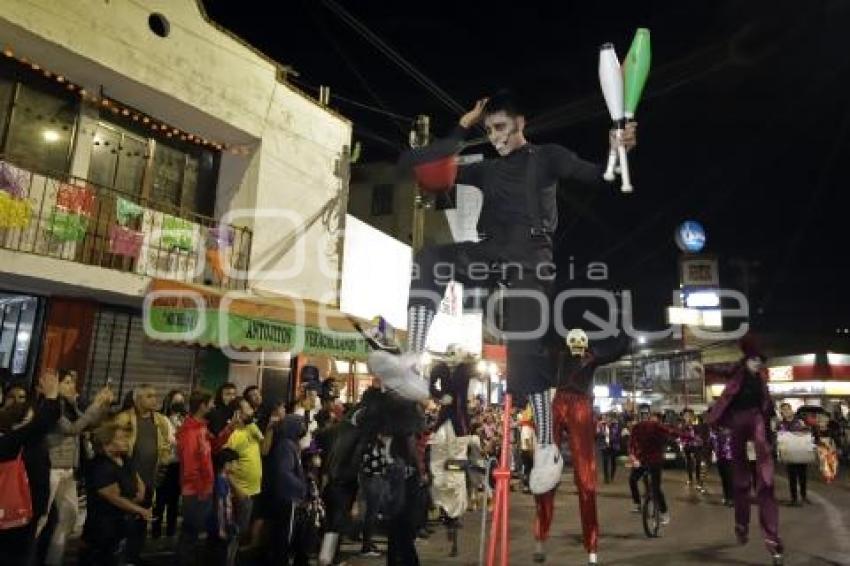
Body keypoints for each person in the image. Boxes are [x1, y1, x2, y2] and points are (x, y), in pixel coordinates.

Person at [367, 91, 637, 499]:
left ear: (521, 123)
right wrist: (461, 127)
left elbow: (599, 175)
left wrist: (618, 151)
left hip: (531, 261)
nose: (493, 136)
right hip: (490, 255)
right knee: (432, 258)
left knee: (523, 352)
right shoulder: (487, 171)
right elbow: (418, 167)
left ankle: (546, 448)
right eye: (489, 129)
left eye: (500, 127)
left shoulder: (547, 157)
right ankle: (410, 360)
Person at [534, 329, 629, 565]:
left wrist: (625, 331)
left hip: (580, 405)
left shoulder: (592, 355)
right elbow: (541, 348)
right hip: (560, 403)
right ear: (568, 343)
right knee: (546, 468)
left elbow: (617, 350)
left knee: (586, 477)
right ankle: (540, 534)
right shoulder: (559, 354)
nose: (577, 344)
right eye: (573, 340)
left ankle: (592, 544)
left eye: (581, 341)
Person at [707, 334, 783, 565]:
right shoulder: (737, 371)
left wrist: (773, 420)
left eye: (761, 360)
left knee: (766, 483)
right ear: (747, 359)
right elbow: (719, 370)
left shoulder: (761, 380)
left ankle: (771, 537)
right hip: (737, 423)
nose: (759, 363)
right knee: (740, 483)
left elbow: (767, 406)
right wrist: (700, 368)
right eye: (755, 359)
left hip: (756, 421)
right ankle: (741, 525)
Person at [42, 369, 112, 564]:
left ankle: (53, 560)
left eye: (73, 382)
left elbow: (91, 423)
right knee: (41, 519)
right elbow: (71, 429)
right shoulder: (51, 406)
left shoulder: (71, 406)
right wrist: (94, 406)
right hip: (52, 467)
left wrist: (103, 404)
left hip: (69, 469)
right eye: (66, 382)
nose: (72, 386)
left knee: (69, 516)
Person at [0, 370, 60, 566]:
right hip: (15, 511)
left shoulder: (23, 442)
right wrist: (51, 397)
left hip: (27, 510)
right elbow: (43, 422)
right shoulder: (12, 441)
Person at [80, 417, 152, 566]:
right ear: (106, 444)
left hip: (123, 524)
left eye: (126, 437)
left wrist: (141, 490)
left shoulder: (124, 458)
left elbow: (137, 478)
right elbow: (114, 497)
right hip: (104, 528)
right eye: (121, 438)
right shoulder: (100, 466)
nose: (127, 441)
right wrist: (139, 509)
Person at [116, 384, 170, 564]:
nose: (154, 399)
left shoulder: (161, 420)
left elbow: (166, 446)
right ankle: (121, 558)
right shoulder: (125, 419)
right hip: (128, 480)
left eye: (155, 396)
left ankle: (134, 556)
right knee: (125, 521)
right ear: (137, 399)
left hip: (150, 480)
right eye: (149, 396)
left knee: (141, 521)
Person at [222, 396, 264, 563]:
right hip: (241, 492)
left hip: (252, 490)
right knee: (235, 531)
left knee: (242, 530)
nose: (251, 410)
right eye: (247, 408)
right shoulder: (234, 436)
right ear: (237, 413)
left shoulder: (250, 429)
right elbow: (225, 467)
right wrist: (236, 489)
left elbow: (263, 446)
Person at [176, 389, 215, 566]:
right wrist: (202, 490)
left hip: (202, 489)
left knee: (193, 533)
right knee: (190, 534)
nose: (213, 406)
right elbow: (190, 466)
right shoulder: (191, 431)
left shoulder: (201, 427)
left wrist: (230, 429)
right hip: (195, 491)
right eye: (211, 403)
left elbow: (211, 449)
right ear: (202, 406)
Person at [264, 414, 308, 565]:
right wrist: (300, 486)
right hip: (288, 497)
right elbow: (284, 472)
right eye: (301, 424)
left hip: (288, 496)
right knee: (285, 533)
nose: (304, 428)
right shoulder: (286, 446)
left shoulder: (290, 444)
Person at [628, 409, 678, 526]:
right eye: (652, 417)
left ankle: (664, 513)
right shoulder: (641, 428)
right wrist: (633, 457)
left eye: (656, 418)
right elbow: (632, 443)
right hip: (642, 460)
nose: (652, 420)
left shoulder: (662, 430)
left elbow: (673, 435)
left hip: (655, 461)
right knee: (632, 479)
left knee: (656, 489)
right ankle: (637, 503)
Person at [153, 389, 187, 538]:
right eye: (176, 401)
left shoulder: (183, 419)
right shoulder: (161, 418)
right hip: (164, 464)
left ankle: (171, 532)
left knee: (174, 500)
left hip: (178, 464)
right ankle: (155, 531)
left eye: (181, 401)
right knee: (160, 500)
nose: (178, 404)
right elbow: (169, 440)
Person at [206, 448, 240, 566]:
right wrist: (221, 528)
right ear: (227, 465)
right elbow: (220, 505)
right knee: (220, 556)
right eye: (236, 463)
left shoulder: (223, 479)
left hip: (222, 525)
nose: (238, 466)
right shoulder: (220, 481)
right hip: (219, 526)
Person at [680, 408, 706, 492]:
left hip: (696, 446)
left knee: (698, 461)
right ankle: (690, 478)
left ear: (692, 415)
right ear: (684, 417)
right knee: (688, 462)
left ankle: (698, 479)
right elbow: (680, 435)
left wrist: (698, 437)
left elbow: (701, 434)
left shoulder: (697, 423)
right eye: (686, 416)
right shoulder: (682, 425)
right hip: (687, 446)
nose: (688, 417)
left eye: (689, 415)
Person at [712, 425, 735, 506]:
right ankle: (726, 497)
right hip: (720, 458)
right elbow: (711, 444)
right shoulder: (715, 433)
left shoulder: (732, 432)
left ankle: (731, 498)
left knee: (730, 478)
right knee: (724, 478)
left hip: (730, 458)